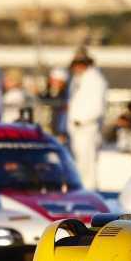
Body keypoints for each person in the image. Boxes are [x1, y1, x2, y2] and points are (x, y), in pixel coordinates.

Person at [66, 52, 108, 190]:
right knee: (80, 164)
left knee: (87, 165)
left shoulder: (95, 80)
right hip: (78, 129)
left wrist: (82, 120)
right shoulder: (80, 80)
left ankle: (89, 193)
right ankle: (83, 191)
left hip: (87, 128)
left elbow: (97, 107)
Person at [44, 67, 70, 141]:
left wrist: (62, 132)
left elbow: (64, 117)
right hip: (46, 131)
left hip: (58, 133)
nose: (53, 82)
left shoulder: (65, 97)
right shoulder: (47, 93)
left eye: (56, 81)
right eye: (52, 80)